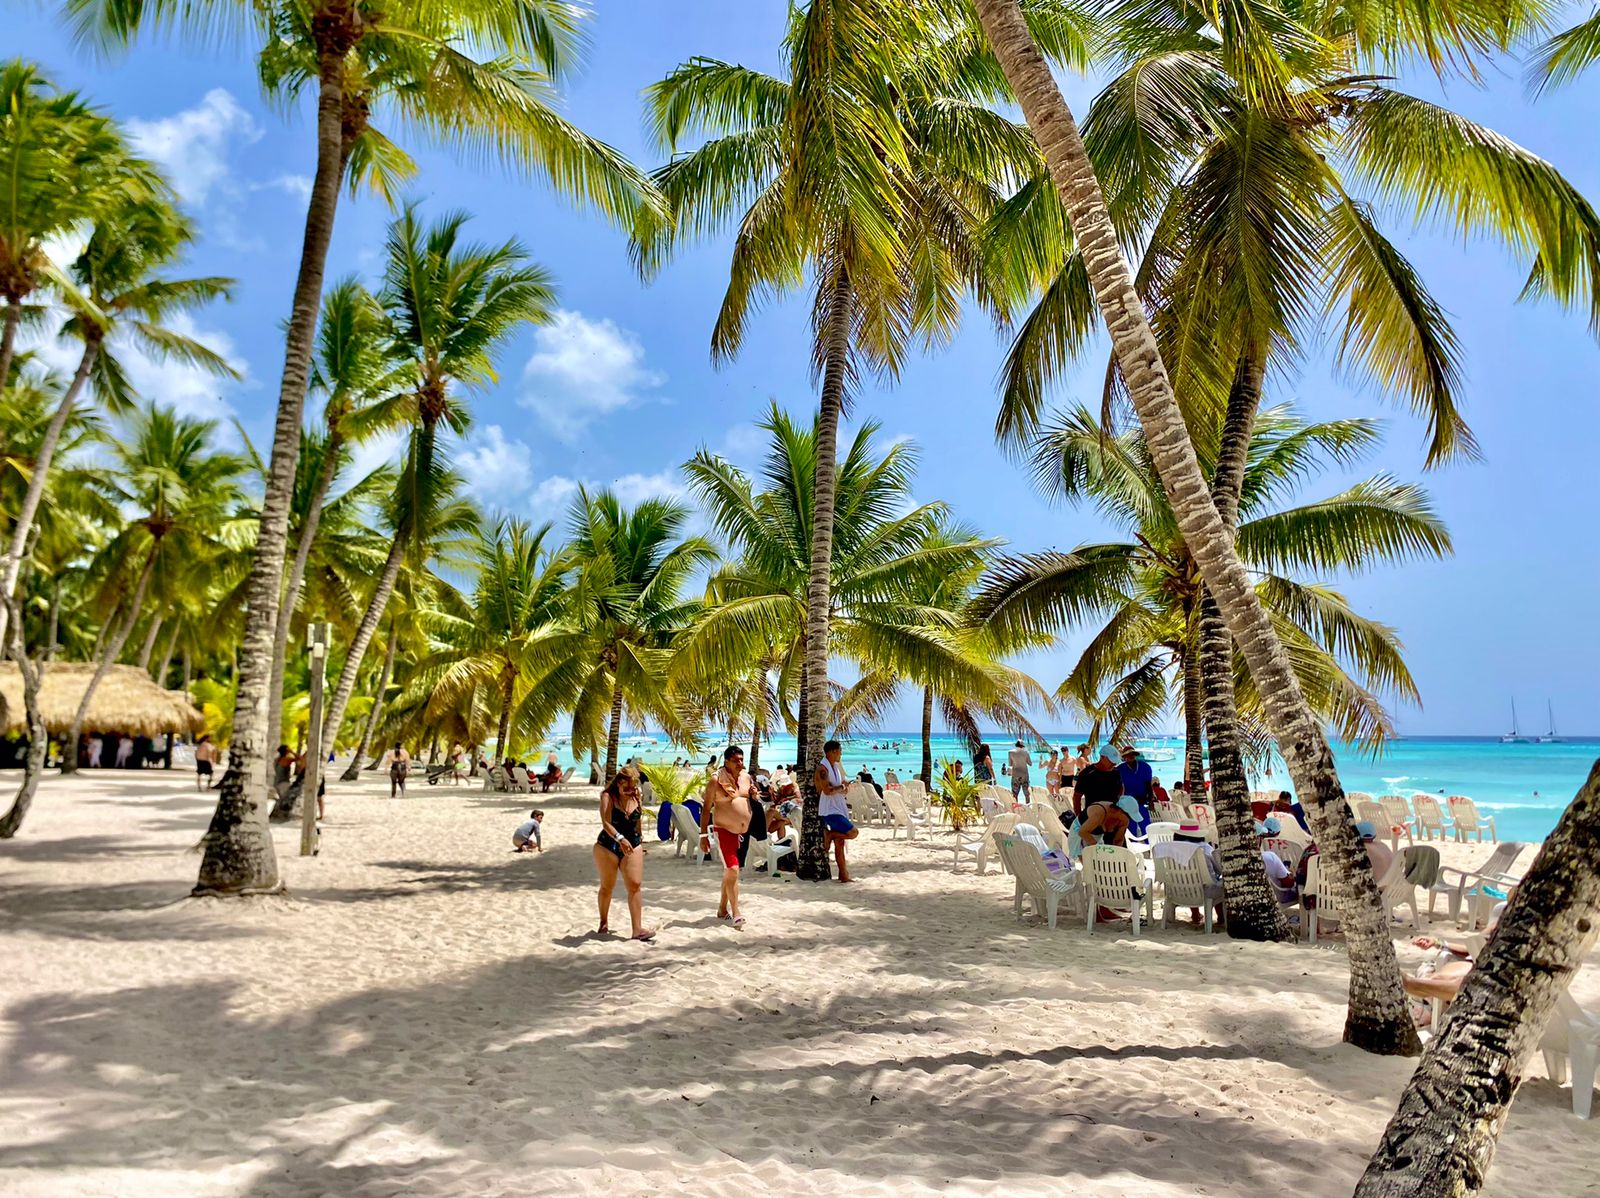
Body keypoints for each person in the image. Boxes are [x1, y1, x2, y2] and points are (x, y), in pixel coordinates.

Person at [594, 769, 653, 940]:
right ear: (619, 782)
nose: (630, 790)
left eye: (633, 786)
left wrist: (640, 838)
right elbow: (606, 823)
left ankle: (637, 929)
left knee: (635, 885)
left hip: (632, 843)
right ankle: (603, 921)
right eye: (626, 787)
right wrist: (620, 838)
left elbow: (637, 818)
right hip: (608, 845)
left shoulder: (636, 795)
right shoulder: (608, 796)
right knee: (607, 886)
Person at [700, 746, 754, 927]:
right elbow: (706, 809)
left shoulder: (746, 778)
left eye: (741, 759)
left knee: (730, 872)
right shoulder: (716, 781)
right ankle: (736, 913)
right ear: (726, 762)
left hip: (742, 834)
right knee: (732, 870)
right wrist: (702, 836)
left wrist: (755, 794)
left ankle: (722, 909)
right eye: (736, 760)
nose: (740, 763)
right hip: (723, 831)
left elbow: (747, 799)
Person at [816, 739, 858, 882]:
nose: (841, 754)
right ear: (833, 752)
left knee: (840, 843)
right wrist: (841, 788)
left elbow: (837, 787)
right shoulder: (823, 769)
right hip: (830, 810)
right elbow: (827, 790)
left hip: (837, 807)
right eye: (840, 751)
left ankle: (843, 875)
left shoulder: (834, 767)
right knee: (853, 833)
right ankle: (830, 834)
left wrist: (843, 785)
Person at [1071, 747, 1123, 821]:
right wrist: (1079, 818)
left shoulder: (1116, 773)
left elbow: (1121, 788)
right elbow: (1077, 797)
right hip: (1092, 818)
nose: (1114, 764)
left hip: (1111, 818)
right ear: (1102, 757)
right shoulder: (1087, 774)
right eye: (1111, 761)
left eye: (1115, 762)